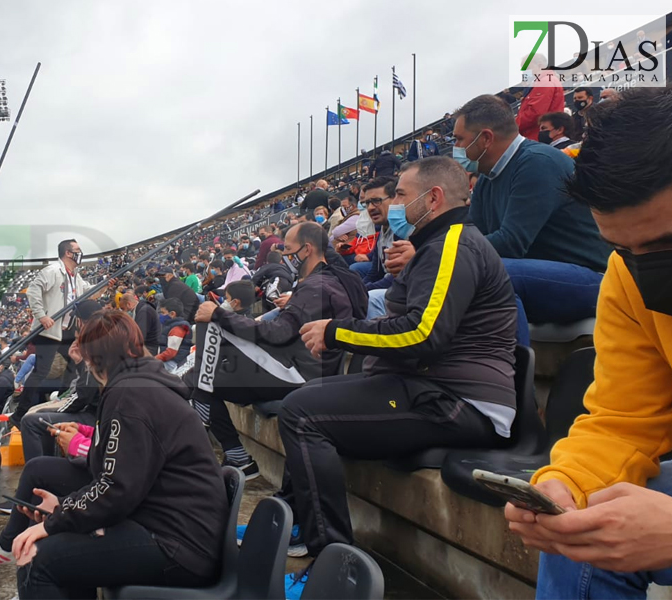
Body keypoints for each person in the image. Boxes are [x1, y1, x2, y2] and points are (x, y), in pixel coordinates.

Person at [285, 157, 518, 578]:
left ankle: (336, 570)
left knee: (301, 414)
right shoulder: (435, 246)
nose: (394, 204)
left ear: (433, 198)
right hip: (431, 388)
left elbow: (423, 335)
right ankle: (301, 527)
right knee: (308, 403)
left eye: (401, 195)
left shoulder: (453, 245)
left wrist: (337, 331)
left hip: (460, 401)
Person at [505, 85, 672, 600]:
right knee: (585, 530)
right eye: (623, 248)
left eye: (669, 242)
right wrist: (567, 483)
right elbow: (624, 419)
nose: (645, 263)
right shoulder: (628, 276)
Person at [0, 311, 228, 599]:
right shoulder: (138, 385)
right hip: (172, 529)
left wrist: (59, 518)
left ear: (96, 361)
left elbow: (117, 488)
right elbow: (113, 476)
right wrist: (64, 507)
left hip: (178, 546)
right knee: (53, 540)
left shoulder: (131, 395)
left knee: (36, 558)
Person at [187, 221, 367, 481]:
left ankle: (206, 414)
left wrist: (218, 314)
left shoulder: (316, 286)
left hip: (298, 372)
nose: (285, 257)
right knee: (204, 381)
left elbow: (279, 334)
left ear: (307, 250)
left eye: (289, 250)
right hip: (301, 366)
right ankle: (234, 451)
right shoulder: (328, 282)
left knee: (209, 332)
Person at [453, 94, 610, 330]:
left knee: (488, 272)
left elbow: (511, 243)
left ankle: (506, 365)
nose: (456, 148)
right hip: (539, 274)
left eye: (459, 139)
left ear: (485, 138)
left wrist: (445, 254)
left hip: (591, 277)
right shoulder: (487, 176)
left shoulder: (536, 162)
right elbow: (473, 235)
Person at [18, 300, 103, 462]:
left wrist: (60, 409)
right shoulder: (99, 343)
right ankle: (46, 464)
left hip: (96, 415)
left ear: (82, 322)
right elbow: (84, 386)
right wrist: (79, 363)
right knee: (41, 416)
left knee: (31, 421)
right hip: (94, 410)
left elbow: (84, 394)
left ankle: (39, 471)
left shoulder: (98, 346)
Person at [18, 239, 89, 420]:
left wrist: (106, 285)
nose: (80, 253)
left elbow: (88, 292)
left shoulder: (75, 276)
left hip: (66, 329)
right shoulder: (52, 271)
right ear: (68, 253)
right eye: (77, 250)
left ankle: (64, 400)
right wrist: (42, 315)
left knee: (73, 363)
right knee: (41, 372)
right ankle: (19, 413)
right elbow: (33, 290)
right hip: (49, 329)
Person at [354, 176, 398, 318]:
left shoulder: (403, 230)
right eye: (367, 203)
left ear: (395, 199)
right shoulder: (382, 233)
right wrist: (358, 289)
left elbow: (395, 278)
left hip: (402, 289)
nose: (371, 208)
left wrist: (362, 292)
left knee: (371, 298)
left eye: (377, 201)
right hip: (388, 286)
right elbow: (374, 272)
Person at [515, 54, 564, 141]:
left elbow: (535, 113)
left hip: (538, 136)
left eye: (527, 68)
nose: (525, 72)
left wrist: (512, 126)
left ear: (540, 66)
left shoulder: (544, 82)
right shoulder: (544, 81)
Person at [155, 298, 191, 371]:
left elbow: (171, 353)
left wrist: (154, 359)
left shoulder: (178, 328)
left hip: (173, 363)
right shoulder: (171, 325)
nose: (160, 315)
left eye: (163, 312)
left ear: (172, 314)